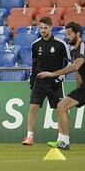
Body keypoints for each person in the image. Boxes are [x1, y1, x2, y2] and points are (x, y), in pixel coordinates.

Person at [38, 22, 85, 150]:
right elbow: (79, 72)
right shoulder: (73, 50)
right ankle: (63, 141)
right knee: (61, 106)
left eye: (70, 34)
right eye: (66, 34)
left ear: (78, 34)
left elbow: (76, 66)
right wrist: (78, 90)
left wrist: (53, 73)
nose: (68, 37)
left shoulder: (84, 47)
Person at [22, 17, 71, 146]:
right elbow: (34, 64)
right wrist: (32, 80)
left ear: (50, 27)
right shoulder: (35, 44)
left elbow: (69, 62)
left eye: (45, 28)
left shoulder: (61, 44)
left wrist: (62, 76)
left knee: (60, 110)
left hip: (55, 83)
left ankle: (61, 139)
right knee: (33, 108)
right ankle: (29, 137)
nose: (43, 30)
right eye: (41, 28)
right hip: (40, 82)